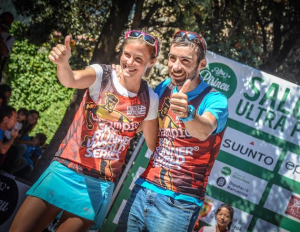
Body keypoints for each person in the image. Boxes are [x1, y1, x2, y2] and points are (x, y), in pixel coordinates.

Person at [9, 29, 160, 232]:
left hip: (99, 183)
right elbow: (70, 79)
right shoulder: (102, 74)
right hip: (65, 169)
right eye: (127, 55)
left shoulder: (150, 99)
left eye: (138, 59)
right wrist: (63, 64)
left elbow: (153, 144)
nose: (130, 62)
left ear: (151, 62)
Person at [116, 30, 229, 232]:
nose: (176, 66)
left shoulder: (215, 99)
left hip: (180, 201)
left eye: (185, 61)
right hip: (144, 187)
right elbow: (147, 130)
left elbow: (205, 129)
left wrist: (187, 113)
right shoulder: (165, 87)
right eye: (172, 58)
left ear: (201, 65)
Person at [0, 12, 15, 82]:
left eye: (8, 22)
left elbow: (5, 53)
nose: (6, 23)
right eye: (4, 20)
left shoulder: (9, 38)